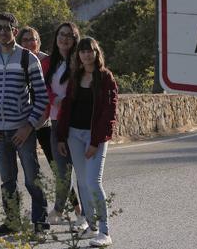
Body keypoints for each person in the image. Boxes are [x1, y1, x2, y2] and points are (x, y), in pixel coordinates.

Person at [0, 12, 49, 236]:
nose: (3, 31)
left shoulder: (28, 58)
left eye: (7, 27)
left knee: (32, 178)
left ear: (14, 30)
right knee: (7, 180)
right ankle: (12, 222)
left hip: (22, 130)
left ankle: (40, 222)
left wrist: (29, 125)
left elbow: (42, 97)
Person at [57, 37, 118, 247]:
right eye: (82, 52)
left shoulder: (105, 78)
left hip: (95, 137)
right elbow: (66, 108)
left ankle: (104, 231)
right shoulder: (75, 77)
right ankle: (91, 225)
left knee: (93, 182)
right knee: (81, 182)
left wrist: (95, 141)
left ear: (96, 52)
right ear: (79, 56)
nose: (86, 55)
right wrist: (61, 137)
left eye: (89, 51)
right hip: (74, 135)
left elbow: (109, 113)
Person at [40, 23, 86, 230]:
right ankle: (59, 209)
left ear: (75, 39)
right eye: (61, 34)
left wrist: (65, 101)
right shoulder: (49, 62)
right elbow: (42, 88)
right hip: (57, 122)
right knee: (62, 172)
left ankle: (84, 217)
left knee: (82, 174)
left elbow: (82, 92)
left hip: (77, 123)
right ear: (56, 37)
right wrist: (53, 99)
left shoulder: (80, 63)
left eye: (70, 35)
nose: (65, 38)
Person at [17, 27, 52, 168]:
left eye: (33, 39)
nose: (29, 43)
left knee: (54, 160)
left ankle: (66, 190)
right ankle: (38, 189)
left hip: (45, 116)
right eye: (25, 40)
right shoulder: (16, 61)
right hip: (24, 118)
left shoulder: (47, 62)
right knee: (30, 164)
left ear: (39, 41)